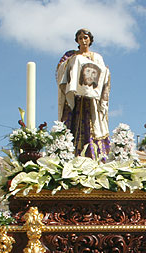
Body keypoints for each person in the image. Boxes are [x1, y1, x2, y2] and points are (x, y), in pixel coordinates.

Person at [56, 28, 111, 160]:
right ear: (77, 40)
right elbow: (60, 71)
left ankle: (94, 156)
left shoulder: (97, 57)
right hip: (75, 98)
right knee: (72, 125)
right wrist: (73, 62)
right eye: (80, 38)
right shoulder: (70, 55)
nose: (83, 40)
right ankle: (69, 155)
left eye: (85, 38)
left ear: (90, 40)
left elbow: (103, 75)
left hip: (91, 99)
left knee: (92, 125)